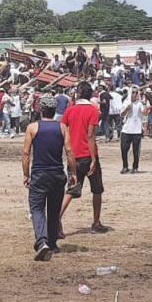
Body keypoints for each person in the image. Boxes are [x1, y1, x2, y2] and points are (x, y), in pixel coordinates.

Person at [22, 95, 73, 261]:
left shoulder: (32, 128)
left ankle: (42, 240)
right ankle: (52, 243)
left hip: (39, 174)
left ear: (41, 109)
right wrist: (73, 173)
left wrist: (26, 174)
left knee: (36, 208)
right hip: (57, 174)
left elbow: (26, 154)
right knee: (53, 209)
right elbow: (70, 151)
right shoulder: (62, 127)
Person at [61, 81, 109, 233]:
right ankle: (96, 222)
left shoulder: (70, 110)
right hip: (87, 154)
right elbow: (90, 135)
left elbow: (63, 129)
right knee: (97, 189)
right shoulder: (93, 111)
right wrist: (94, 158)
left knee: (71, 189)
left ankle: (55, 219)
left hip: (73, 154)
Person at [119, 87, 145, 174]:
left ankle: (135, 167)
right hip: (126, 129)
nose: (135, 94)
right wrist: (127, 109)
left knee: (136, 150)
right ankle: (125, 166)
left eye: (136, 93)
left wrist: (147, 107)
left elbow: (144, 113)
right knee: (124, 149)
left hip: (136, 130)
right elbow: (122, 114)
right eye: (133, 92)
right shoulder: (126, 102)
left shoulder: (140, 104)